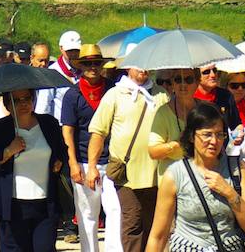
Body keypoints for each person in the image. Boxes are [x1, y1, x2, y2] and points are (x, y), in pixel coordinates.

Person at [144, 103, 245, 252]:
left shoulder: (237, 169)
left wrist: (229, 193)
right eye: (207, 134)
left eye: (219, 134)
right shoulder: (175, 174)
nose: (214, 141)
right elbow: (158, 236)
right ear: (192, 136)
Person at [0, 87, 69, 252]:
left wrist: (59, 162)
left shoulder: (49, 123)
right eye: (16, 100)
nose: (23, 104)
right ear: (8, 104)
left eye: (27, 98)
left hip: (45, 204)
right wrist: (8, 151)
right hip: (12, 206)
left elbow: (63, 151)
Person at [88, 62, 163, 252]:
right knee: (133, 223)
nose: (143, 69)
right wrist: (92, 166)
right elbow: (98, 132)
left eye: (146, 65)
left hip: (158, 173)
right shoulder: (114, 95)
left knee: (154, 224)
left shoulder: (161, 94)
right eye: (138, 65)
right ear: (128, 67)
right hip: (127, 174)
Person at [61, 44, 121, 252]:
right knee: (87, 215)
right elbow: (67, 131)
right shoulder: (72, 95)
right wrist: (73, 163)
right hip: (84, 161)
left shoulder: (113, 90)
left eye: (96, 63)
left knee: (116, 211)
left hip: (113, 161)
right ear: (81, 66)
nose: (93, 67)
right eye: (87, 63)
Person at [149, 68, 199, 179]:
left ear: (197, 82)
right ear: (173, 83)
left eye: (189, 80)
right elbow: (153, 152)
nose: (183, 84)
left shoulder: (203, 109)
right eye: (178, 80)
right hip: (172, 182)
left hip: (200, 178)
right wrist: (177, 144)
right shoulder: (163, 112)